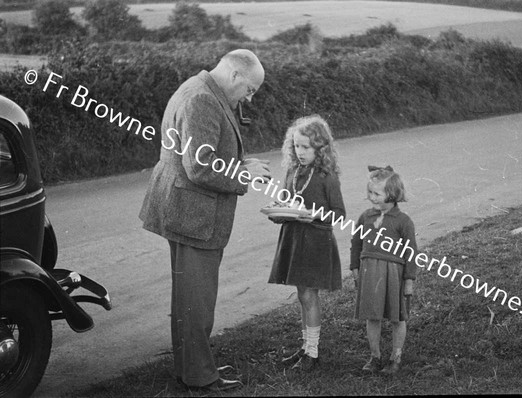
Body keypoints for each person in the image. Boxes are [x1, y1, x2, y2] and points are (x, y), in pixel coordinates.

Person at [138, 49, 271, 392]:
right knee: (197, 302)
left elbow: (204, 153)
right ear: (235, 75)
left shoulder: (200, 88)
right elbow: (200, 166)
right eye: (250, 89)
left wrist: (241, 162)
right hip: (193, 214)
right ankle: (199, 377)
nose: (250, 98)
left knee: (187, 299)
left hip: (184, 208)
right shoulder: (203, 100)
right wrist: (244, 174)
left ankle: (191, 368)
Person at [267, 115, 346, 372]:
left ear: (320, 148)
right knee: (302, 295)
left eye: (306, 147)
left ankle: (313, 352)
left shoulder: (326, 176)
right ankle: (305, 348)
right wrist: (277, 211)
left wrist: (314, 215)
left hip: (315, 242)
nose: (300, 152)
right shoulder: (292, 171)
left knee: (309, 295)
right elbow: (285, 202)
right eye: (296, 146)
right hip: (294, 239)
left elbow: (339, 214)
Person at [349, 165, 417, 374]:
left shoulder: (403, 221)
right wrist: (355, 267)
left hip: (393, 275)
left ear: (392, 194)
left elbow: (411, 251)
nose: (372, 197)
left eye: (377, 193)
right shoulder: (365, 217)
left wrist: (409, 279)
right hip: (370, 272)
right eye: (370, 192)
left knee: (398, 317)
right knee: (373, 315)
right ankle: (375, 356)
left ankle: (395, 357)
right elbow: (356, 243)